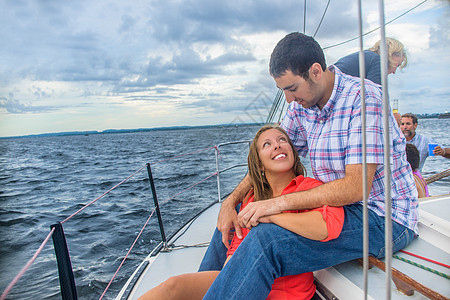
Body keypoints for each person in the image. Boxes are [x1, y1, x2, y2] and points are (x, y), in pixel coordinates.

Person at [199, 32, 419, 299]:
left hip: (383, 217)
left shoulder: (365, 98)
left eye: (292, 88)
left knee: (266, 241)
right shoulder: (301, 107)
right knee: (236, 212)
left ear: (316, 71)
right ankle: (200, 291)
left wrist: (275, 204)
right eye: (284, 92)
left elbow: (355, 188)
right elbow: (268, 158)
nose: (289, 99)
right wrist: (230, 201)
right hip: (338, 209)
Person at [138, 125, 345, 299]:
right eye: (268, 144)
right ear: (260, 166)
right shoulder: (251, 200)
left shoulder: (309, 188)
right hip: (246, 284)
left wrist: (272, 215)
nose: (277, 145)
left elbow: (327, 226)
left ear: (292, 152)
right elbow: (234, 258)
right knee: (173, 287)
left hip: (286, 294)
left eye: (282, 140)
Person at [334, 37, 407, 85]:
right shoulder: (378, 61)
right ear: (391, 53)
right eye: (397, 65)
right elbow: (375, 97)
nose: (394, 72)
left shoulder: (366, 56)